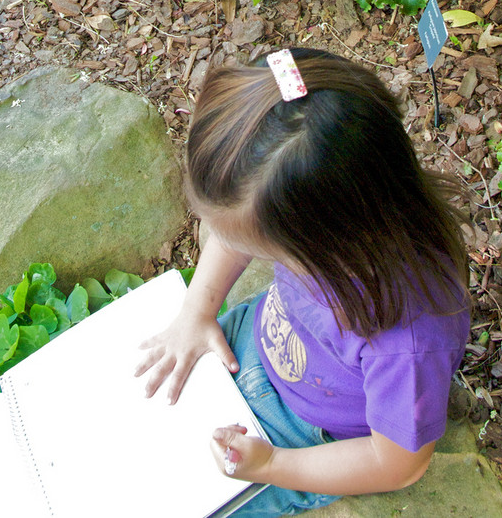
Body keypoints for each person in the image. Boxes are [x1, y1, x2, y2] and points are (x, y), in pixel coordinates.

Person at [135, 47, 471, 516]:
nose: (232, 244)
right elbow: (239, 232)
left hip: (305, 438)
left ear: (326, 239)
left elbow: (397, 465)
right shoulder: (317, 208)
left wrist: (273, 464)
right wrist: (196, 312)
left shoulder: (406, 342)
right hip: (253, 348)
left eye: (271, 253)